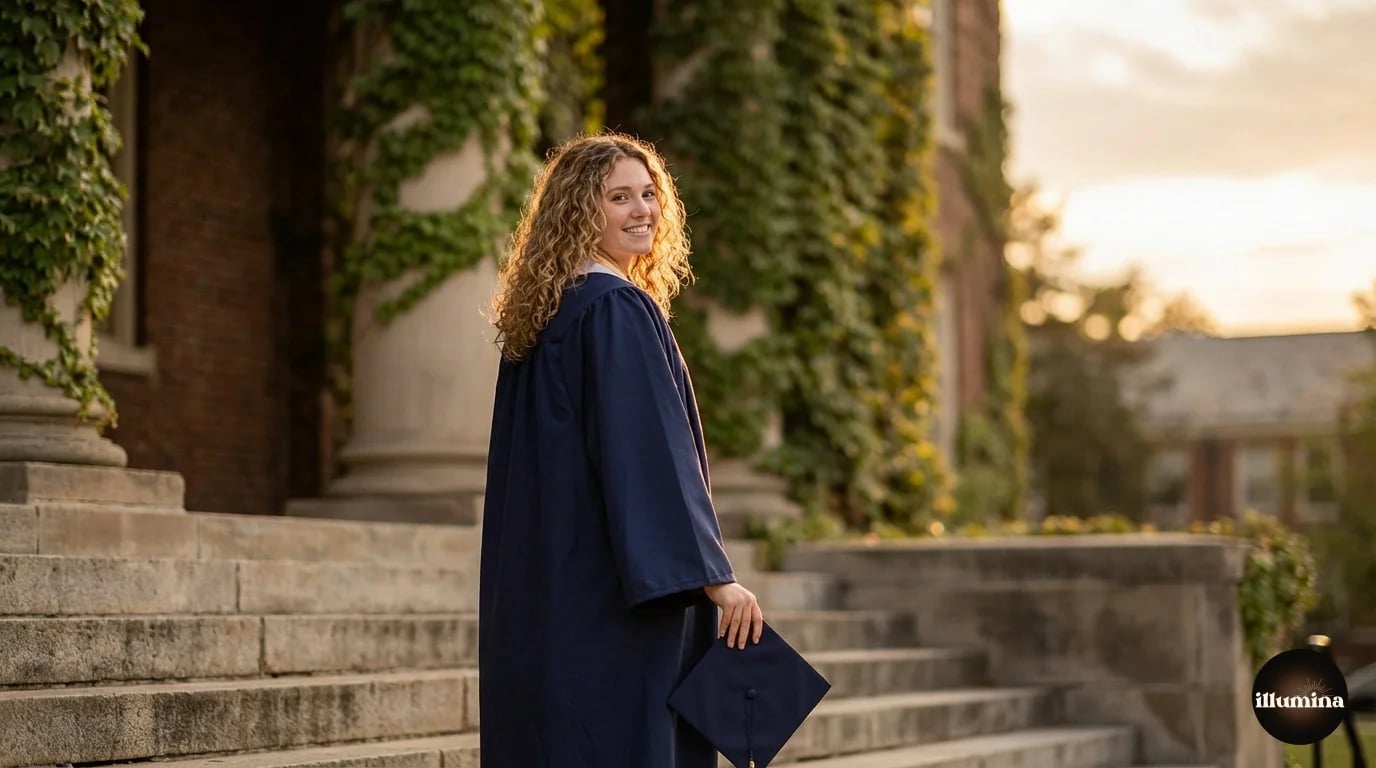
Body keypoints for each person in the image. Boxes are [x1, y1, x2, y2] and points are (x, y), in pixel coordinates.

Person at [479, 132, 764, 767]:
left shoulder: (546, 313)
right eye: (618, 198)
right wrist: (717, 580)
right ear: (581, 211)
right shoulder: (616, 309)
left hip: (555, 582)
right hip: (621, 592)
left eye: (649, 193)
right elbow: (648, 457)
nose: (642, 210)